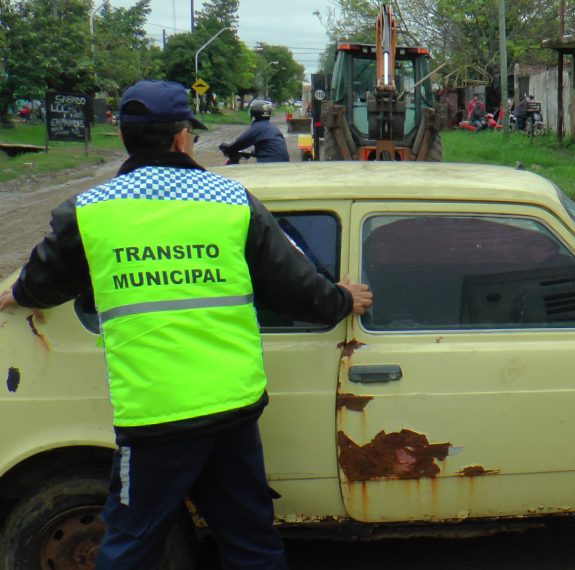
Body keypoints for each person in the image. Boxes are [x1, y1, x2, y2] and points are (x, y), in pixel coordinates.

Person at [0, 79, 373, 569]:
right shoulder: (231, 203)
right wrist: (343, 298)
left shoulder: (88, 212)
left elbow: (47, 280)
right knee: (250, 539)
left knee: (132, 539)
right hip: (232, 404)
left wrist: (18, 293)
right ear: (181, 139)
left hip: (156, 415)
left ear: (123, 138)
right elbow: (296, 288)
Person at [219, 99, 290, 163]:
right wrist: (251, 153)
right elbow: (270, 148)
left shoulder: (258, 127)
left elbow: (240, 143)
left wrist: (226, 147)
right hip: (282, 163)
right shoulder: (271, 127)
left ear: (253, 113)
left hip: (269, 165)